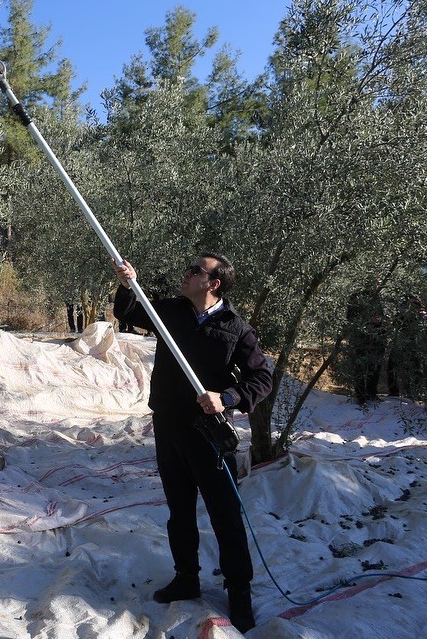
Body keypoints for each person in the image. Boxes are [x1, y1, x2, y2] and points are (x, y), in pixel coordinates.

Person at [113, 252, 272, 633]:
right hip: (169, 425)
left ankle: (239, 595)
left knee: (226, 516)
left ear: (213, 283)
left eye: (195, 271)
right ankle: (187, 577)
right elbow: (130, 313)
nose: (186, 273)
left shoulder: (237, 329)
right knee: (179, 510)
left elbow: (262, 378)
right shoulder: (171, 310)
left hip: (209, 435)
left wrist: (227, 397)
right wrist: (126, 285)